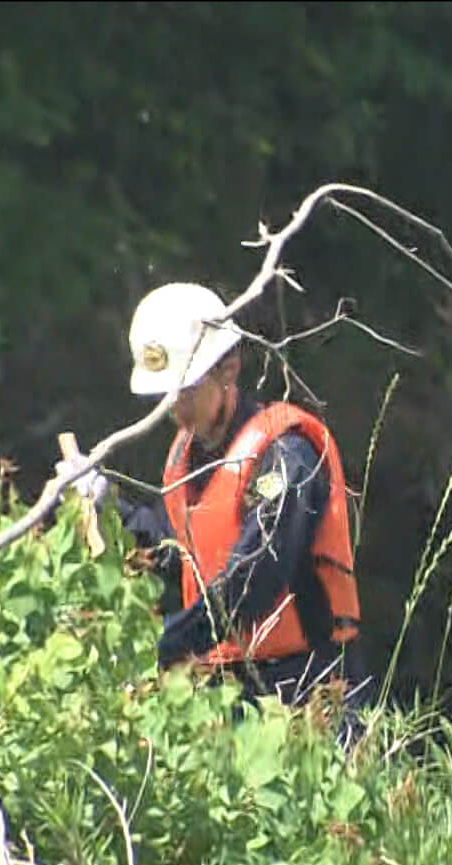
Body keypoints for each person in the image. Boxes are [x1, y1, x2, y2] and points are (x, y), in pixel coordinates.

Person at [55, 282, 367, 717]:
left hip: (309, 685)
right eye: (165, 396)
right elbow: (171, 557)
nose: (175, 409)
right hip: (223, 687)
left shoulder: (285, 456)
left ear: (229, 370)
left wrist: (169, 644)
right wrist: (109, 507)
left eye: (185, 390)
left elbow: (255, 575)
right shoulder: (185, 459)